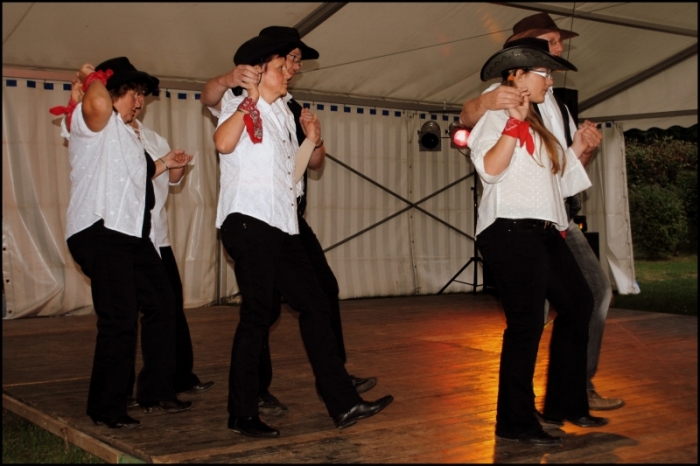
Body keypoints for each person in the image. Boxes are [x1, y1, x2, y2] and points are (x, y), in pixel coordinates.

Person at [212, 34, 393, 438]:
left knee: (315, 303)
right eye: (281, 67)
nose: (289, 73)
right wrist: (249, 100)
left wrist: (311, 139)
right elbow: (222, 143)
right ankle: (242, 412)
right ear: (259, 72)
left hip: (283, 224)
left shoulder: (281, 112)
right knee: (257, 314)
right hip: (248, 221)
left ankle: (343, 403)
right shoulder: (239, 103)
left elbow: (292, 175)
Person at [460, 12, 622, 412]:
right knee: (530, 321)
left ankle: (568, 402)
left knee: (581, 302)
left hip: (551, 221)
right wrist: (501, 114)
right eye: (546, 62)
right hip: (512, 224)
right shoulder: (499, 104)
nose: (553, 71)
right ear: (519, 65)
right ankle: (518, 420)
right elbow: (485, 156)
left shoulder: (550, 110)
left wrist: (582, 147)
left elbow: (558, 175)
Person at [59, 84, 215, 410]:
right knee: (120, 317)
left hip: (135, 234)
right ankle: (107, 405)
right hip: (101, 229)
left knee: (162, 304)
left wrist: (169, 163)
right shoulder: (94, 127)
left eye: (143, 95)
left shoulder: (136, 137)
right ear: (111, 96)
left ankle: (156, 390)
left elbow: (143, 172)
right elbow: (95, 108)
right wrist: (89, 80)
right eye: (134, 94)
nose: (140, 102)